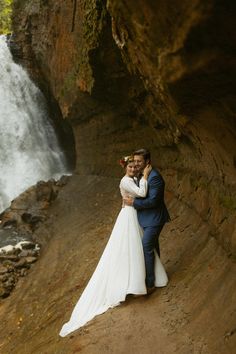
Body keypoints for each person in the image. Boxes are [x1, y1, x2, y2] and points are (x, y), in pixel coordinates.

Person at [59, 156, 168, 337]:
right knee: (130, 248)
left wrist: (140, 181)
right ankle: (134, 283)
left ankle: (143, 278)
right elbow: (141, 194)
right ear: (125, 168)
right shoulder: (126, 180)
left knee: (137, 248)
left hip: (133, 214)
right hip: (129, 216)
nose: (133, 169)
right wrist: (146, 176)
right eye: (130, 167)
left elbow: (133, 196)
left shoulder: (131, 179)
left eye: (135, 167)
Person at [123, 149, 170, 293]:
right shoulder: (140, 175)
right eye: (135, 161)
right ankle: (156, 276)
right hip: (144, 217)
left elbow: (154, 201)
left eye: (139, 161)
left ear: (147, 162)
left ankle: (150, 284)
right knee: (153, 247)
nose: (136, 164)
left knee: (146, 246)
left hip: (155, 218)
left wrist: (134, 203)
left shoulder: (154, 177)